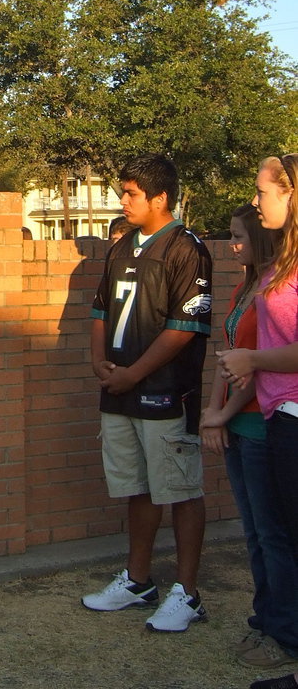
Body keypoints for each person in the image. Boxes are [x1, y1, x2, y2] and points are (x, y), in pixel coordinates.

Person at [81, 153, 212, 632]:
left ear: (161, 197)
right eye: (123, 191)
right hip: (119, 391)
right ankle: (138, 581)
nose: (123, 200)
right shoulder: (121, 247)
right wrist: (100, 364)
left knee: (179, 490)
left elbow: (184, 328)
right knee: (137, 487)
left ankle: (188, 593)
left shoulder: (187, 248)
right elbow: (99, 312)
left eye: (131, 193)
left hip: (163, 393)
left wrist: (134, 373)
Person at [200, 203, 298, 673]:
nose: (233, 244)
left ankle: (283, 629)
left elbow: (257, 362)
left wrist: (220, 414)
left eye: (239, 236)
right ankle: (266, 618)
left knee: (273, 535)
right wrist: (213, 412)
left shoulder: (275, 289)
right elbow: (230, 356)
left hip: (264, 420)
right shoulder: (244, 287)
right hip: (240, 421)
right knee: (256, 535)